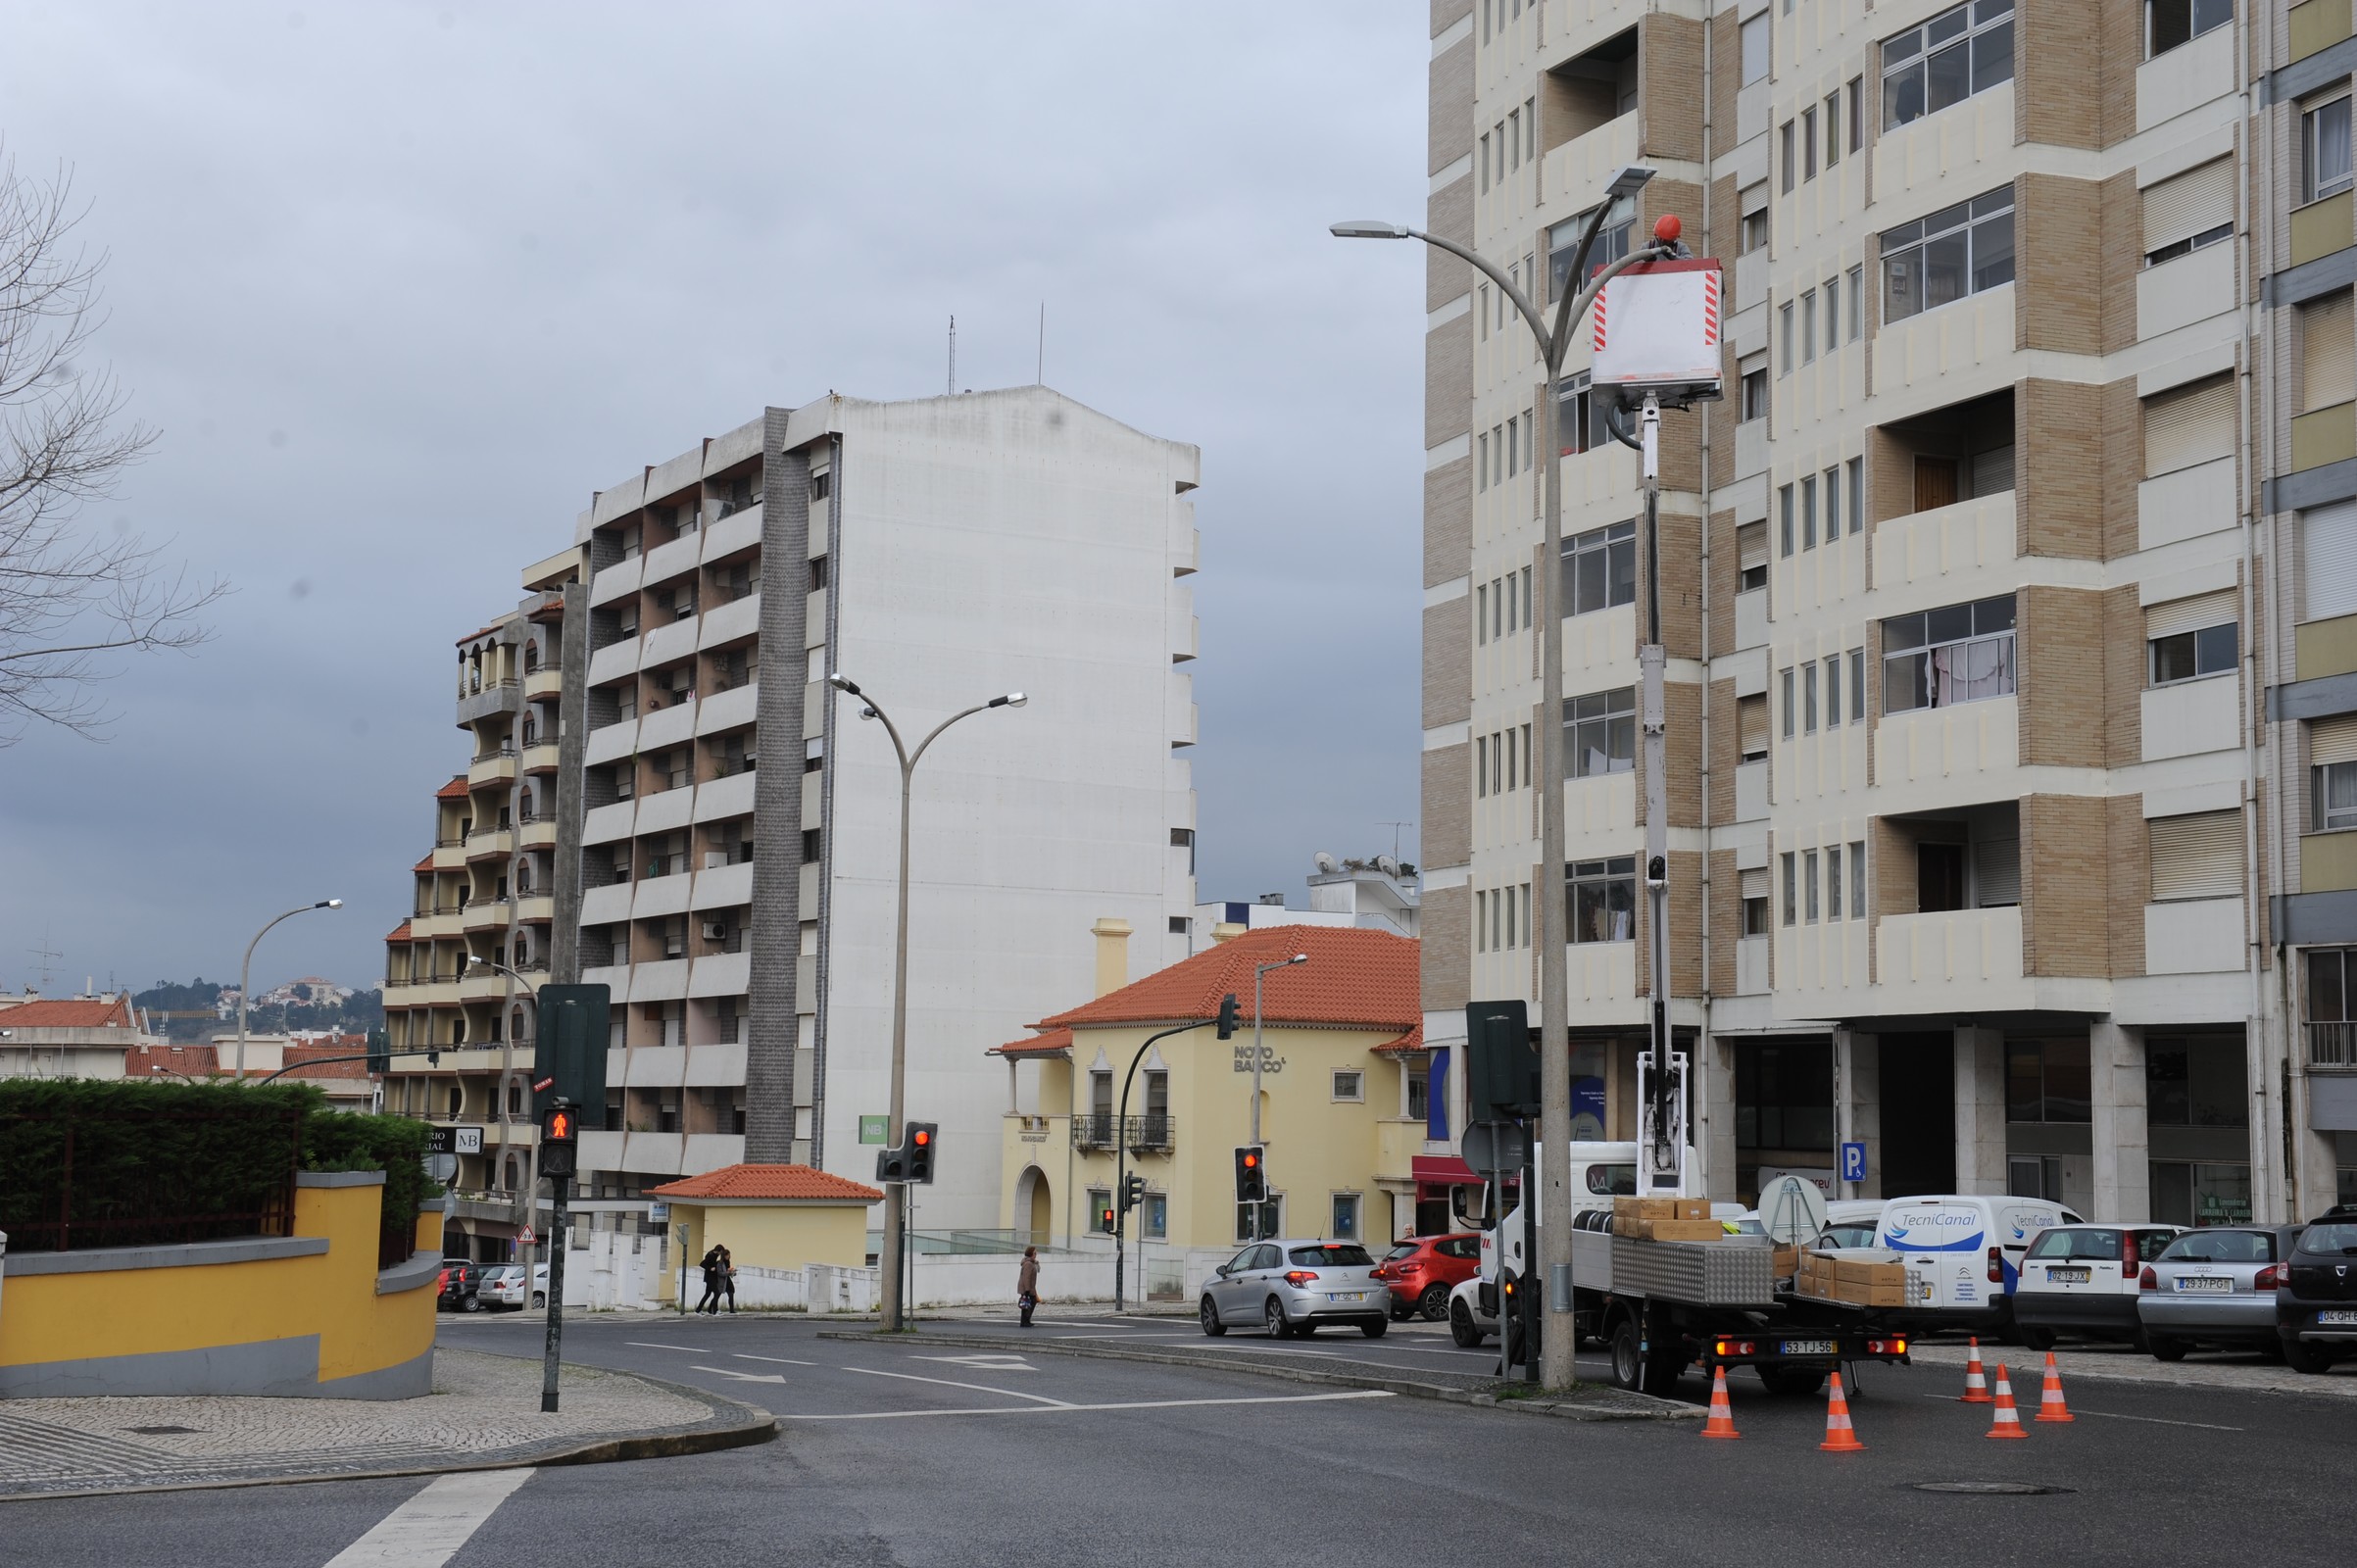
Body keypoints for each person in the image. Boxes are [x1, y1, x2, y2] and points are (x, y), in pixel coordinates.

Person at [1016, 1245, 1040, 1328]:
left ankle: (1025, 1321)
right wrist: (1027, 1290)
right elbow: (1027, 1277)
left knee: (1026, 1304)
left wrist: (1036, 1263)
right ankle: (1025, 1321)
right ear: (1031, 1253)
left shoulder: (1030, 1263)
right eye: (1034, 1253)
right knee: (1029, 1303)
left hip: (1029, 1288)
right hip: (1028, 1288)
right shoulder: (1028, 1264)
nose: (1036, 1255)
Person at [696, 1245, 724, 1315]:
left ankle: (698, 1310)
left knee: (707, 1294)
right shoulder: (710, 1255)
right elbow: (702, 1264)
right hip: (710, 1278)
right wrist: (710, 1268)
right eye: (721, 1252)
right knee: (717, 1293)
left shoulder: (715, 1255)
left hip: (712, 1278)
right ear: (718, 1250)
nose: (721, 1254)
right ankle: (715, 1311)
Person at [717, 1245, 738, 1315]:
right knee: (717, 1294)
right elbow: (720, 1273)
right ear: (724, 1255)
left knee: (731, 1292)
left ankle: (732, 1309)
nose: (729, 1256)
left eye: (729, 1255)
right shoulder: (720, 1263)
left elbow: (728, 1270)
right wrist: (728, 1273)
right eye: (727, 1255)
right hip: (722, 1281)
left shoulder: (728, 1262)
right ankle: (712, 1309)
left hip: (727, 1279)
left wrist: (732, 1272)